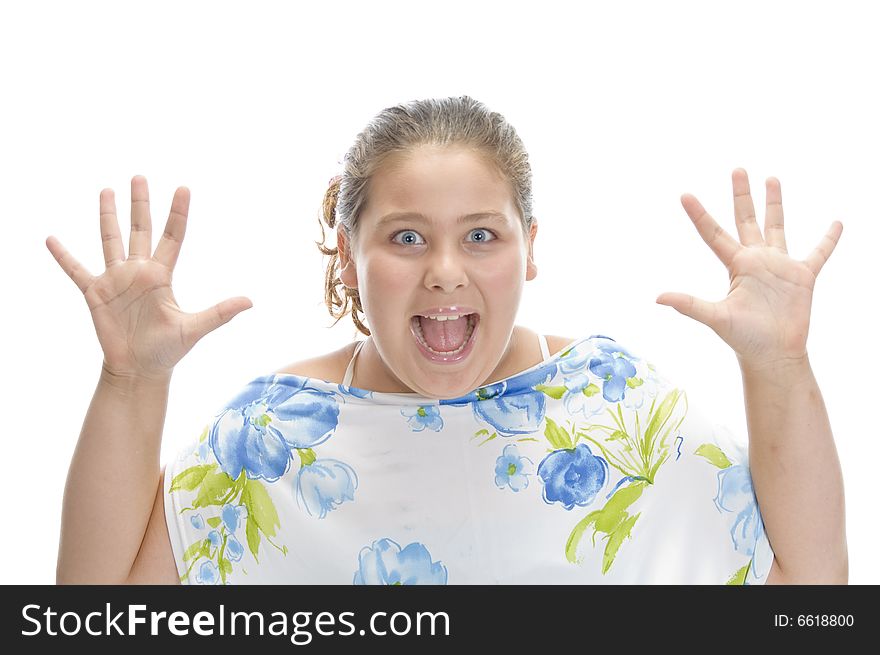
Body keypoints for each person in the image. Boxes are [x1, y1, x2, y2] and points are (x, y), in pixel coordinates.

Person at [50, 95, 846, 585]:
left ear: (530, 246)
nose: (443, 271)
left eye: (480, 236)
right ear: (347, 255)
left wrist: (780, 366)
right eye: (404, 237)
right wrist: (130, 380)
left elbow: (810, 599)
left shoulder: (617, 404)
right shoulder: (268, 439)